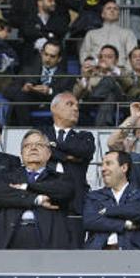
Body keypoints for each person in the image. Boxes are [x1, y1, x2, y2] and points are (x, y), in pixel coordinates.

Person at [0, 129, 75, 249]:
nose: (33, 148)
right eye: (27, 145)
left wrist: (26, 186)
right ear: (22, 154)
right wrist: (37, 199)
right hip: (10, 236)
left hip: (49, 238)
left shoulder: (59, 178)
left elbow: (64, 192)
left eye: (39, 145)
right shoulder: (7, 176)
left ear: (49, 154)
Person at [41, 92, 95, 247]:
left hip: (75, 205)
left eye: (77, 106)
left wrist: (53, 146)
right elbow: (36, 154)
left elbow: (84, 151)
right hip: (44, 201)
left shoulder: (85, 136)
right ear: (54, 108)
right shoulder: (40, 132)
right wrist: (69, 157)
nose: (76, 109)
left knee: (74, 253)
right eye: (70, 104)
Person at [83, 151, 140, 250]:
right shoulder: (94, 196)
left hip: (133, 254)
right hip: (99, 254)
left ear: (124, 168)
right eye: (102, 165)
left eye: (108, 163)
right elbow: (90, 220)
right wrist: (125, 224)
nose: (103, 169)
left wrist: (108, 211)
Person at [4, 41, 72, 126]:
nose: (47, 59)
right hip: (29, 104)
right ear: (41, 53)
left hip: (52, 105)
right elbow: (7, 91)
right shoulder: (28, 71)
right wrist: (23, 89)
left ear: (59, 59)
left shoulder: (66, 77)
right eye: (46, 54)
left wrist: (49, 91)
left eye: (52, 56)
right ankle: (24, 130)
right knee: (20, 96)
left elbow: (68, 97)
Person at [73, 45, 126, 126]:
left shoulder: (121, 70)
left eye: (109, 57)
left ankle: (94, 97)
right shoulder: (92, 72)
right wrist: (85, 78)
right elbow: (75, 95)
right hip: (98, 105)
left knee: (109, 80)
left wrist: (112, 68)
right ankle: (102, 126)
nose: (104, 59)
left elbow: (130, 83)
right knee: (109, 96)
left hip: (119, 102)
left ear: (116, 60)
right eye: (101, 56)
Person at [80, 0, 137, 67]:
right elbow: (84, 54)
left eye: (115, 9)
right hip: (96, 72)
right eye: (108, 8)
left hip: (120, 73)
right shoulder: (91, 34)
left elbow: (133, 55)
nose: (112, 10)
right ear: (102, 14)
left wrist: (125, 73)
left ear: (118, 14)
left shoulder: (128, 34)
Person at [19, 0, 68, 68]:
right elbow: (27, 32)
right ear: (40, 3)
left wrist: (40, 32)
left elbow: (61, 30)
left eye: (54, 1)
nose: (53, 3)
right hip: (32, 60)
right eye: (50, 1)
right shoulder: (29, 18)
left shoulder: (58, 18)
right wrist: (49, 34)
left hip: (55, 63)